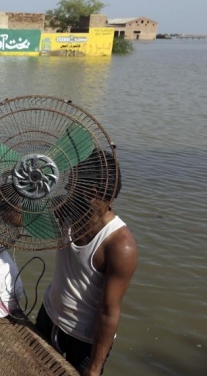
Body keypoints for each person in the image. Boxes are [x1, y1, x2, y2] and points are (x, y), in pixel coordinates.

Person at [34, 149, 138, 376]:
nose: (66, 189)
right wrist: (22, 186)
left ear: (90, 192)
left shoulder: (120, 245)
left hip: (85, 341)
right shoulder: (65, 210)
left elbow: (109, 311)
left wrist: (94, 368)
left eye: (72, 184)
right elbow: (15, 220)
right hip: (49, 316)